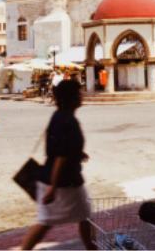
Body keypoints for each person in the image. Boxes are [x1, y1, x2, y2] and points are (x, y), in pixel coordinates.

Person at [21, 80, 95, 250]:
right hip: (63, 182)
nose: (81, 96)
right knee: (47, 221)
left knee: (83, 215)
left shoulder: (59, 116)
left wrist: (78, 153)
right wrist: (53, 187)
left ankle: (91, 246)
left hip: (65, 180)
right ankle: (91, 246)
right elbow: (60, 156)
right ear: (72, 98)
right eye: (78, 93)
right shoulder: (67, 120)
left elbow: (60, 148)